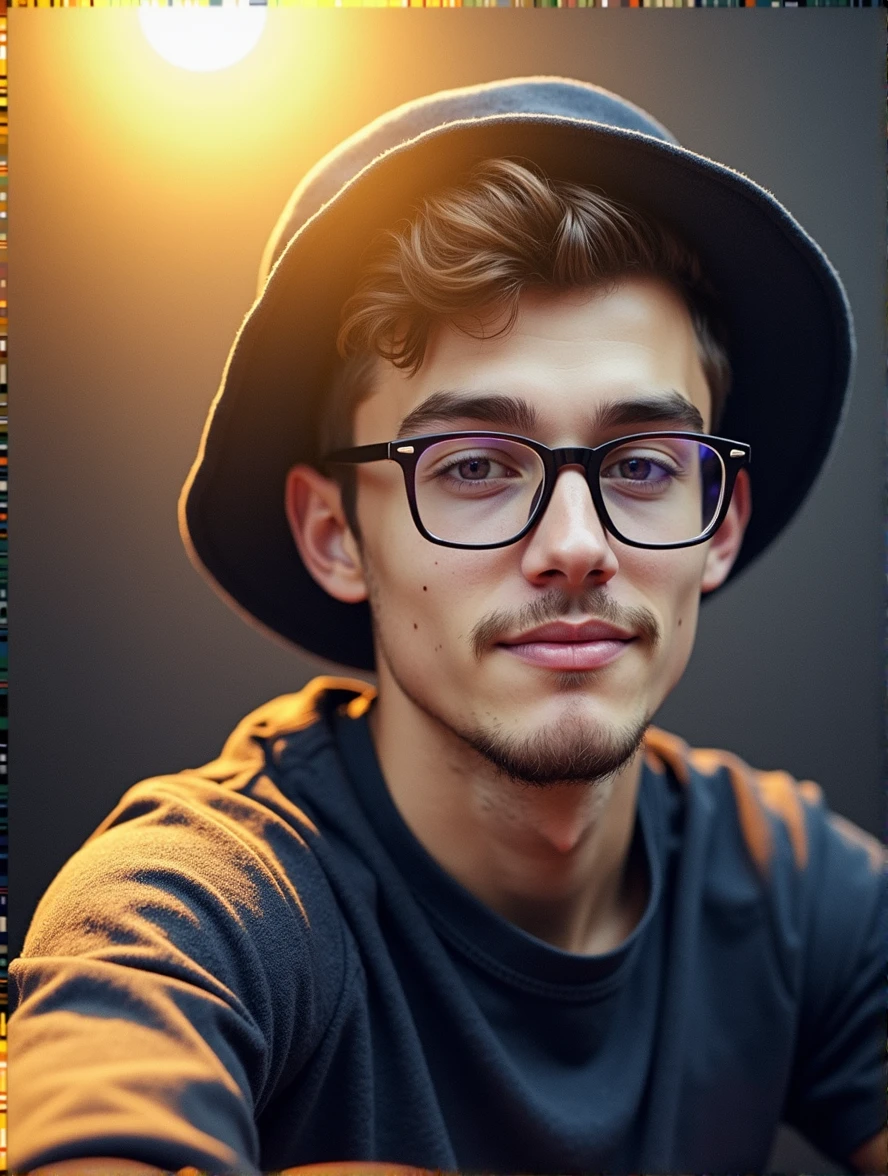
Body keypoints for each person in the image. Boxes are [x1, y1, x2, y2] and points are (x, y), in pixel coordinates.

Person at [11, 78, 886, 1175]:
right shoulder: (194, 909)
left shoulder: (798, 895)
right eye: (473, 465)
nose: (577, 543)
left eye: (646, 463)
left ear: (721, 526)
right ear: (334, 533)